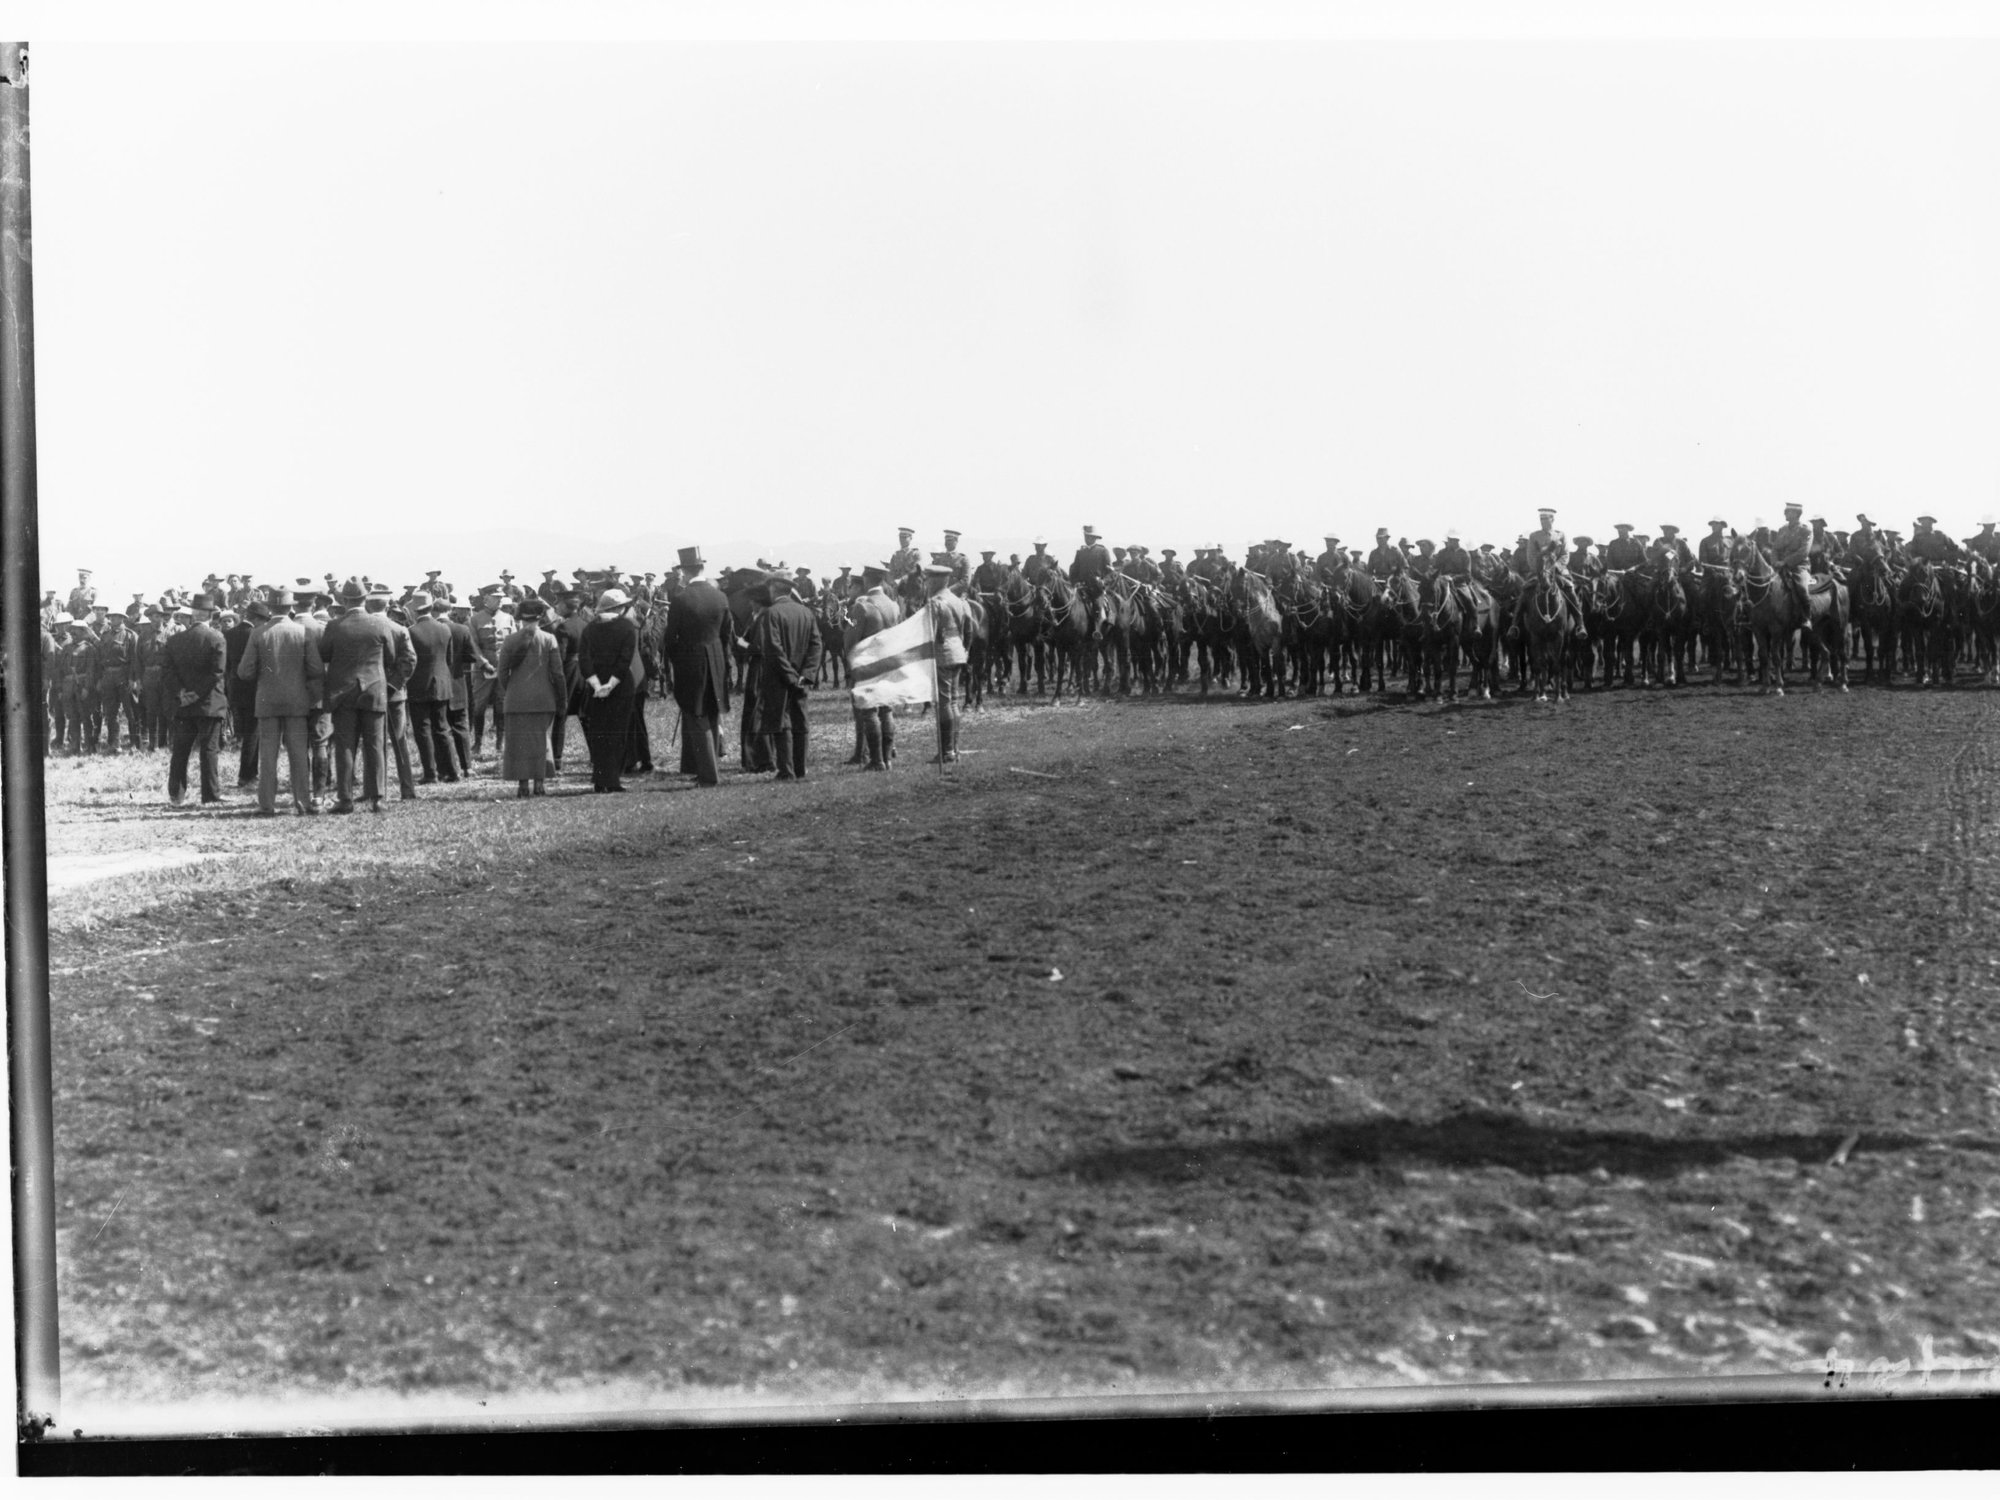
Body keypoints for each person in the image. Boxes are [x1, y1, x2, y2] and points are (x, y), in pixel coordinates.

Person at [320, 577, 415, 814]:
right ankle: (378, 798)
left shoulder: (334, 626)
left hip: (343, 693)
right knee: (375, 745)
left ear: (343, 600)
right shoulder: (381, 625)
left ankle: (345, 798)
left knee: (345, 746)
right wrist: (391, 685)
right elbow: (393, 657)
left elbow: (324, 654)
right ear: (365, 599)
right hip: (375, 691)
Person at [236, 587, 324, 816]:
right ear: (290, 606)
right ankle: (303, 803)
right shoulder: (302, 632)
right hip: (297, 700)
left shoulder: (258, 633)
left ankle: (267, 805)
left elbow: (244, 671)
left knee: (268, 756)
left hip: (267, 700)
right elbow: (315, 669)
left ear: (269, 607)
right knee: (298, 755)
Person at [661, 545, 730, 787]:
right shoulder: (720, 596)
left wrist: (676, 660)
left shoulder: (681, 599)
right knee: (711, 712)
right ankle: (707, 769)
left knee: (697, 715)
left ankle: (709, 775)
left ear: (686, 571)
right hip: (717, 659)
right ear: (702, 567)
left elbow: (670, 638)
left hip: (691, 660)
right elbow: (726, 635)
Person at [749, 571, 822, 781]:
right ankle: (800, 768)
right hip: (801, 679)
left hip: (779, 678)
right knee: (801, 721)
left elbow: (774, 648)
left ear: (773, 588)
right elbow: (816, 645)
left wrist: (790, 676)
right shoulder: (806, 612)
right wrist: (806, 675)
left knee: (782, 723)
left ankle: (786, 770)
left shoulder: (771, 614)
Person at [159, 592, 229, 805]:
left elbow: (167, 673)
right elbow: (217, 672)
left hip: (183, 704)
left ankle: (176, 795)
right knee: (209, 750)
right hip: (209, 703)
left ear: (192, 614)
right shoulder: (217, 638)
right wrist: (197, 694)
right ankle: (210, 795)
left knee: (180, 750)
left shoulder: (175, 640)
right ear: (210, 614)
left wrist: (182, 693)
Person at [494, 596, 566, 797]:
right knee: (541, 741)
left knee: (518, 743)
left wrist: (513, 689)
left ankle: (523, 784)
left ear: (520, 619)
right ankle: (540, 784)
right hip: (543, 699)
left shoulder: (510, 640)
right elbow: (558, 673)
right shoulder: (549, 639)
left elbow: (502, 673)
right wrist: (561, 698)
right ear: (540, 618)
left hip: (516, 700)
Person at [577, 587, 639, 792]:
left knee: (599, 732)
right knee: (617, 732)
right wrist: (610, 685)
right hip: (620, 686)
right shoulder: (627, 627)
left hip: (595, 687)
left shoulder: (589, 629)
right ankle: (612, 780)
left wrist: (596, 685)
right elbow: (625, 660)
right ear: (620, 607)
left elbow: (584, 660)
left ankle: (599, 778)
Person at [365, 585, 421, 801]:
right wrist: (394, 685)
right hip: (395, 694)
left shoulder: (365, 628)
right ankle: (407, 789)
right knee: (400, 742)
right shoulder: (399, 629)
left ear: (369, 605)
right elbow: (410, 661)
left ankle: (375, 791)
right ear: (388, 605)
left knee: (373, 741)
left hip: (371, 692)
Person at [845, 564, 902, 771]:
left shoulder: (862, 606)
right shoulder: (894, 605)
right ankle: (887, 758)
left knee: (869, 712)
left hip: (867, 664)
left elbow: (850, 640)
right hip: (888, 663)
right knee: (886, 710)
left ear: (867, 580)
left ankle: (877, 760)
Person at [404, 590, 459, 783]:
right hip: (442, 684)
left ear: (414, 610)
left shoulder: (411, 631)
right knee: (443, 728)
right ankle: (452, 771)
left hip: (419, 686)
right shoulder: (445, 629)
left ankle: (430, 772)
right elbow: (450, 660)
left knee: (423, 730)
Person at [924, 563, 974, 763]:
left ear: (936, 580)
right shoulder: (959, 601)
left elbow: (931, 633)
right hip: (958, 651)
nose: (926, 583)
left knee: (944, 703)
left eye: (928, 579)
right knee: (953, 702)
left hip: (942, 653)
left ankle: (946, 751)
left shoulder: (935, 602)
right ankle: (953, 748)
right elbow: (969, 628)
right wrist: (965, 649)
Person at [94, 610, 140, 754]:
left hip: (124, 675)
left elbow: (135, 660)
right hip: (108, 676)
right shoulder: (105, 635)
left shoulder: (130, 635)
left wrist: (133, 679)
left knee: (130, 711)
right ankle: (114, 743)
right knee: (110, 712)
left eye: (117, 617)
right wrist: (100, 678)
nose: (114, 619)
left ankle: (135, 743)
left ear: (122, 618)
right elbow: (100, 659)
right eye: (112, 617)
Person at [1767, 503, 1815, 617]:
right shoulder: (1782, 529)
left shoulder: (1806, 530)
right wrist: (1774, 562)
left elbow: (1804, 552)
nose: (1785, 513)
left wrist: (1785, 562)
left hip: (1799, 567)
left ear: (1796, 514)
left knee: (1802, 588)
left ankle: (1806, 617)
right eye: (1786, 511)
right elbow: (1775, 549)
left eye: (1788, 511)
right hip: (1779, 566)